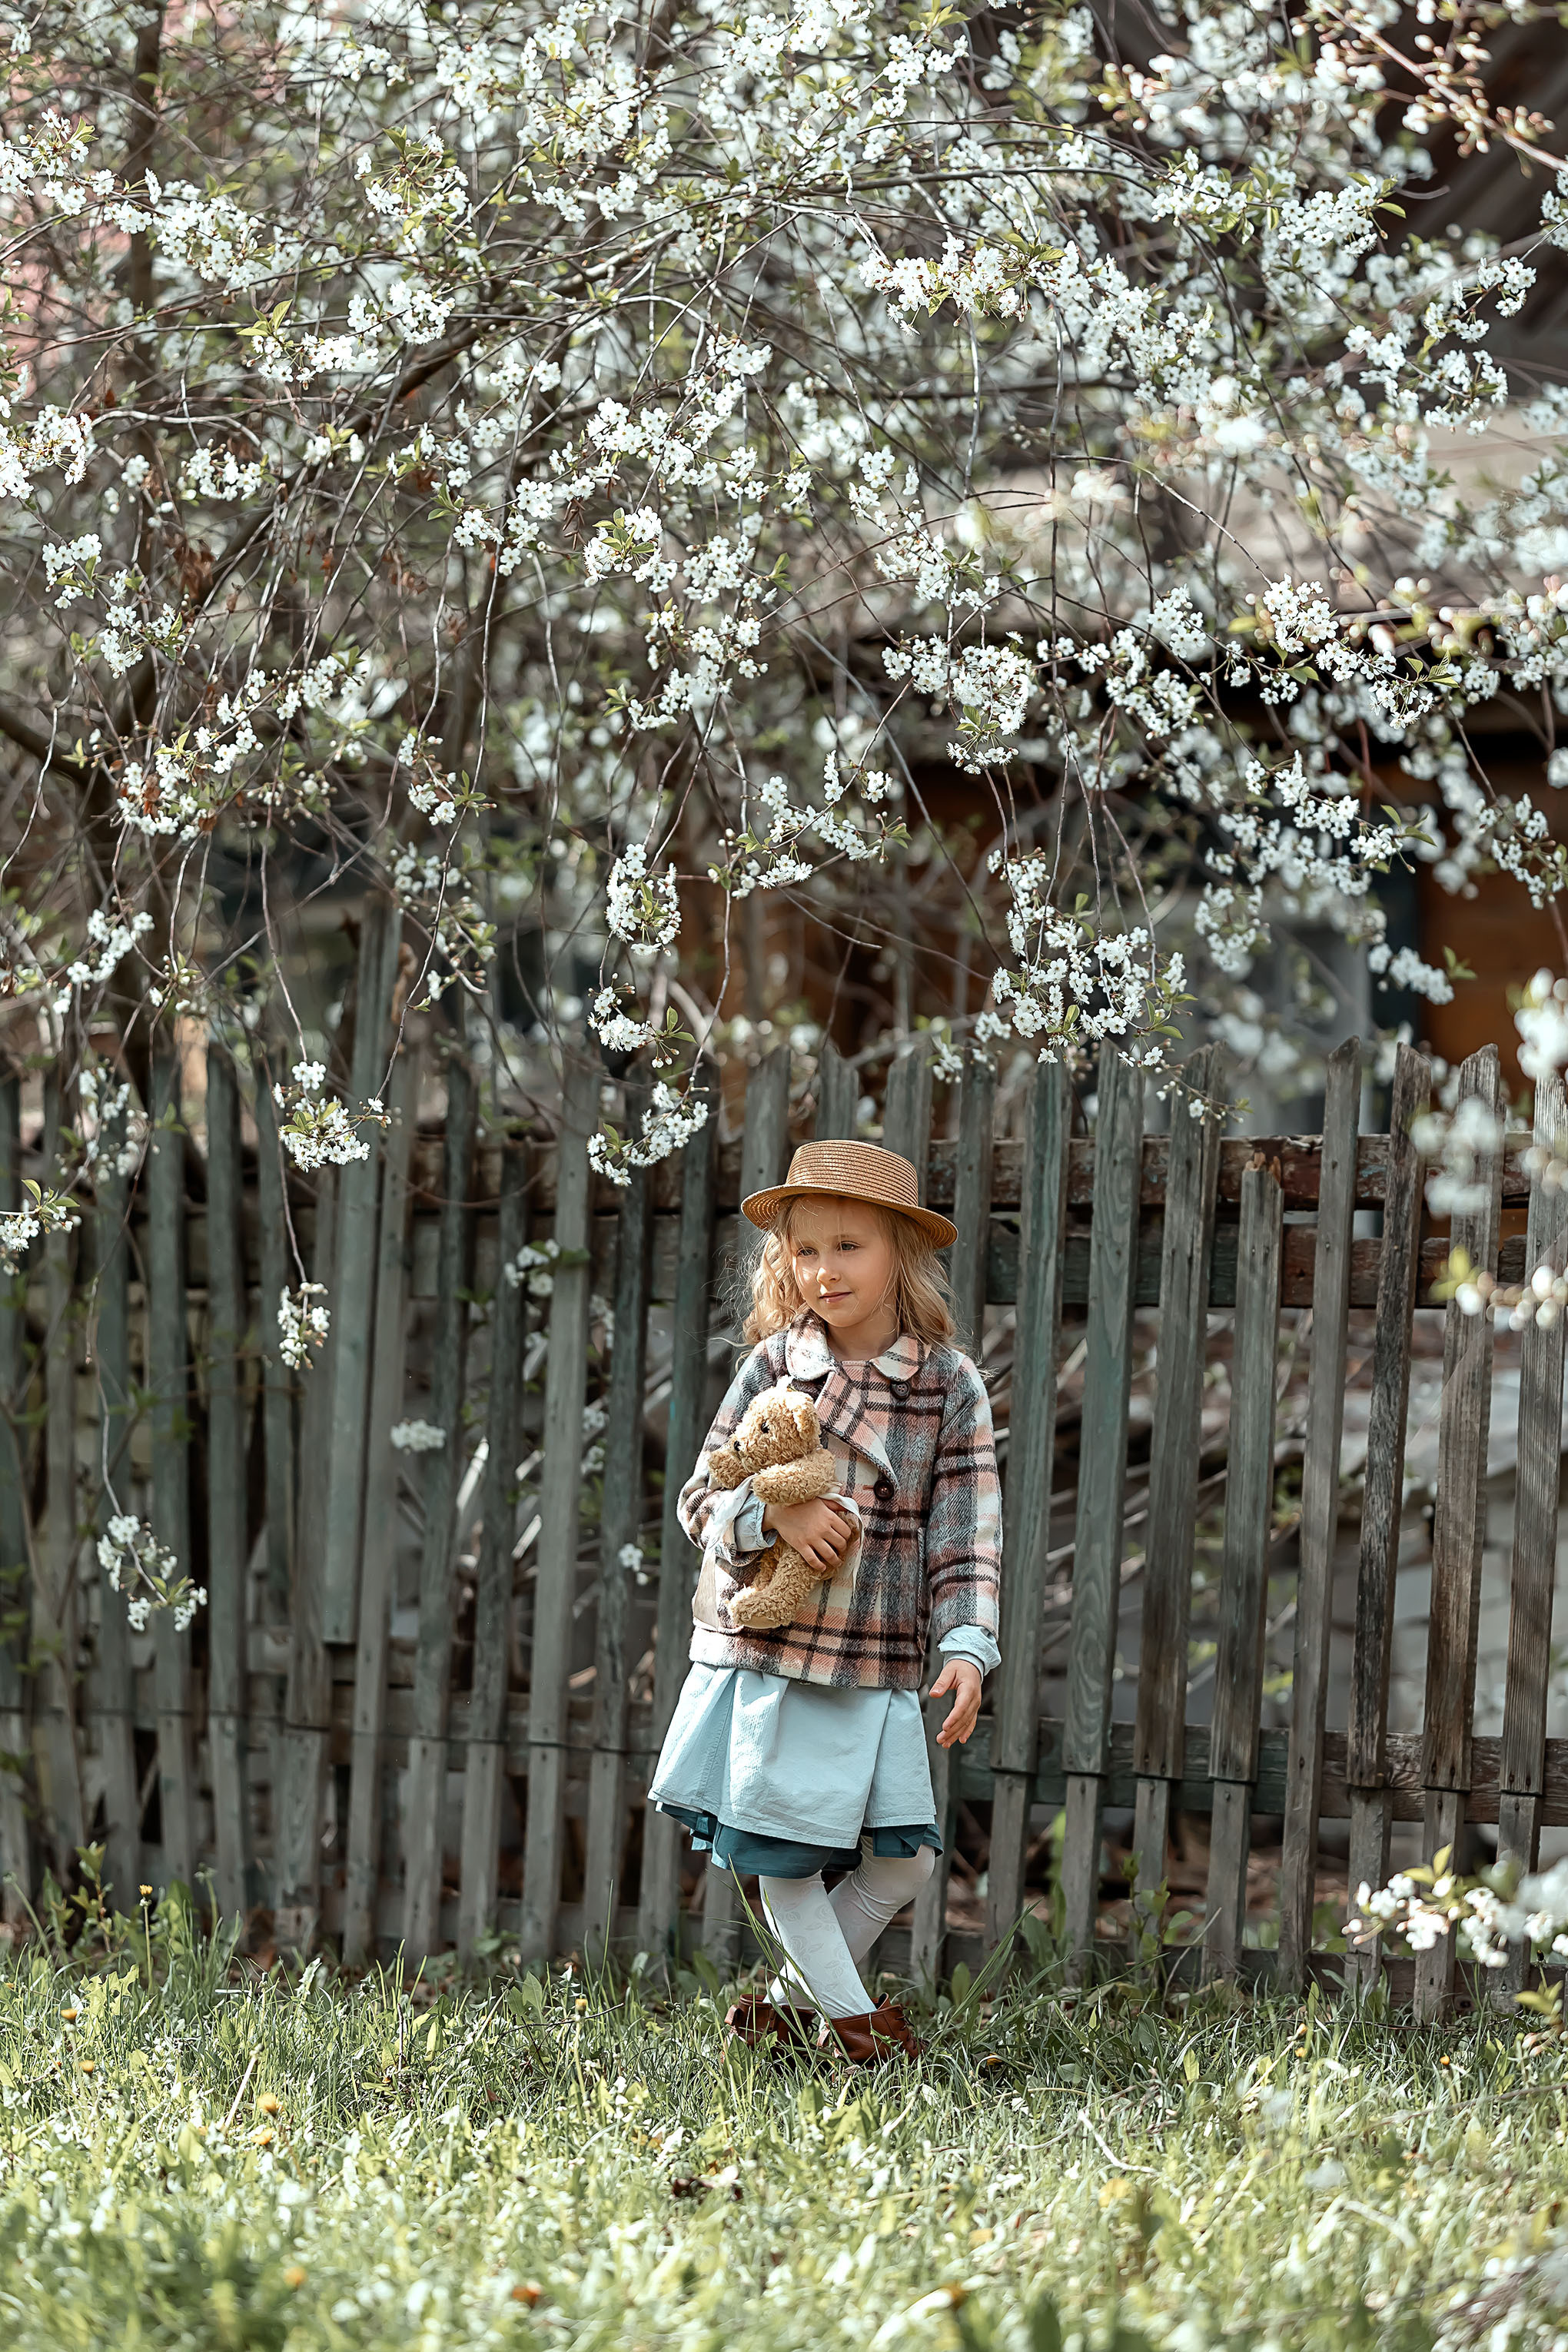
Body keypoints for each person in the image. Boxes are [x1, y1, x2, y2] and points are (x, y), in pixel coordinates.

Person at [648, 1135, 1002, 2062]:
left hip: (876, 1657)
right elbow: (699, 1499)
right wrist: (778, 1516)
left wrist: (966, 1642)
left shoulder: (947, 1385)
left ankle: (780, 2013)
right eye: (807, 1250)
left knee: (906, 1860)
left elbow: (965, 1531)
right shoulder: (773, 1369)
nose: (826, 1271)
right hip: (774, 1655)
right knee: (785, 1858)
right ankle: (856, 2032)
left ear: (901, 1254)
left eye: (850, 1246)